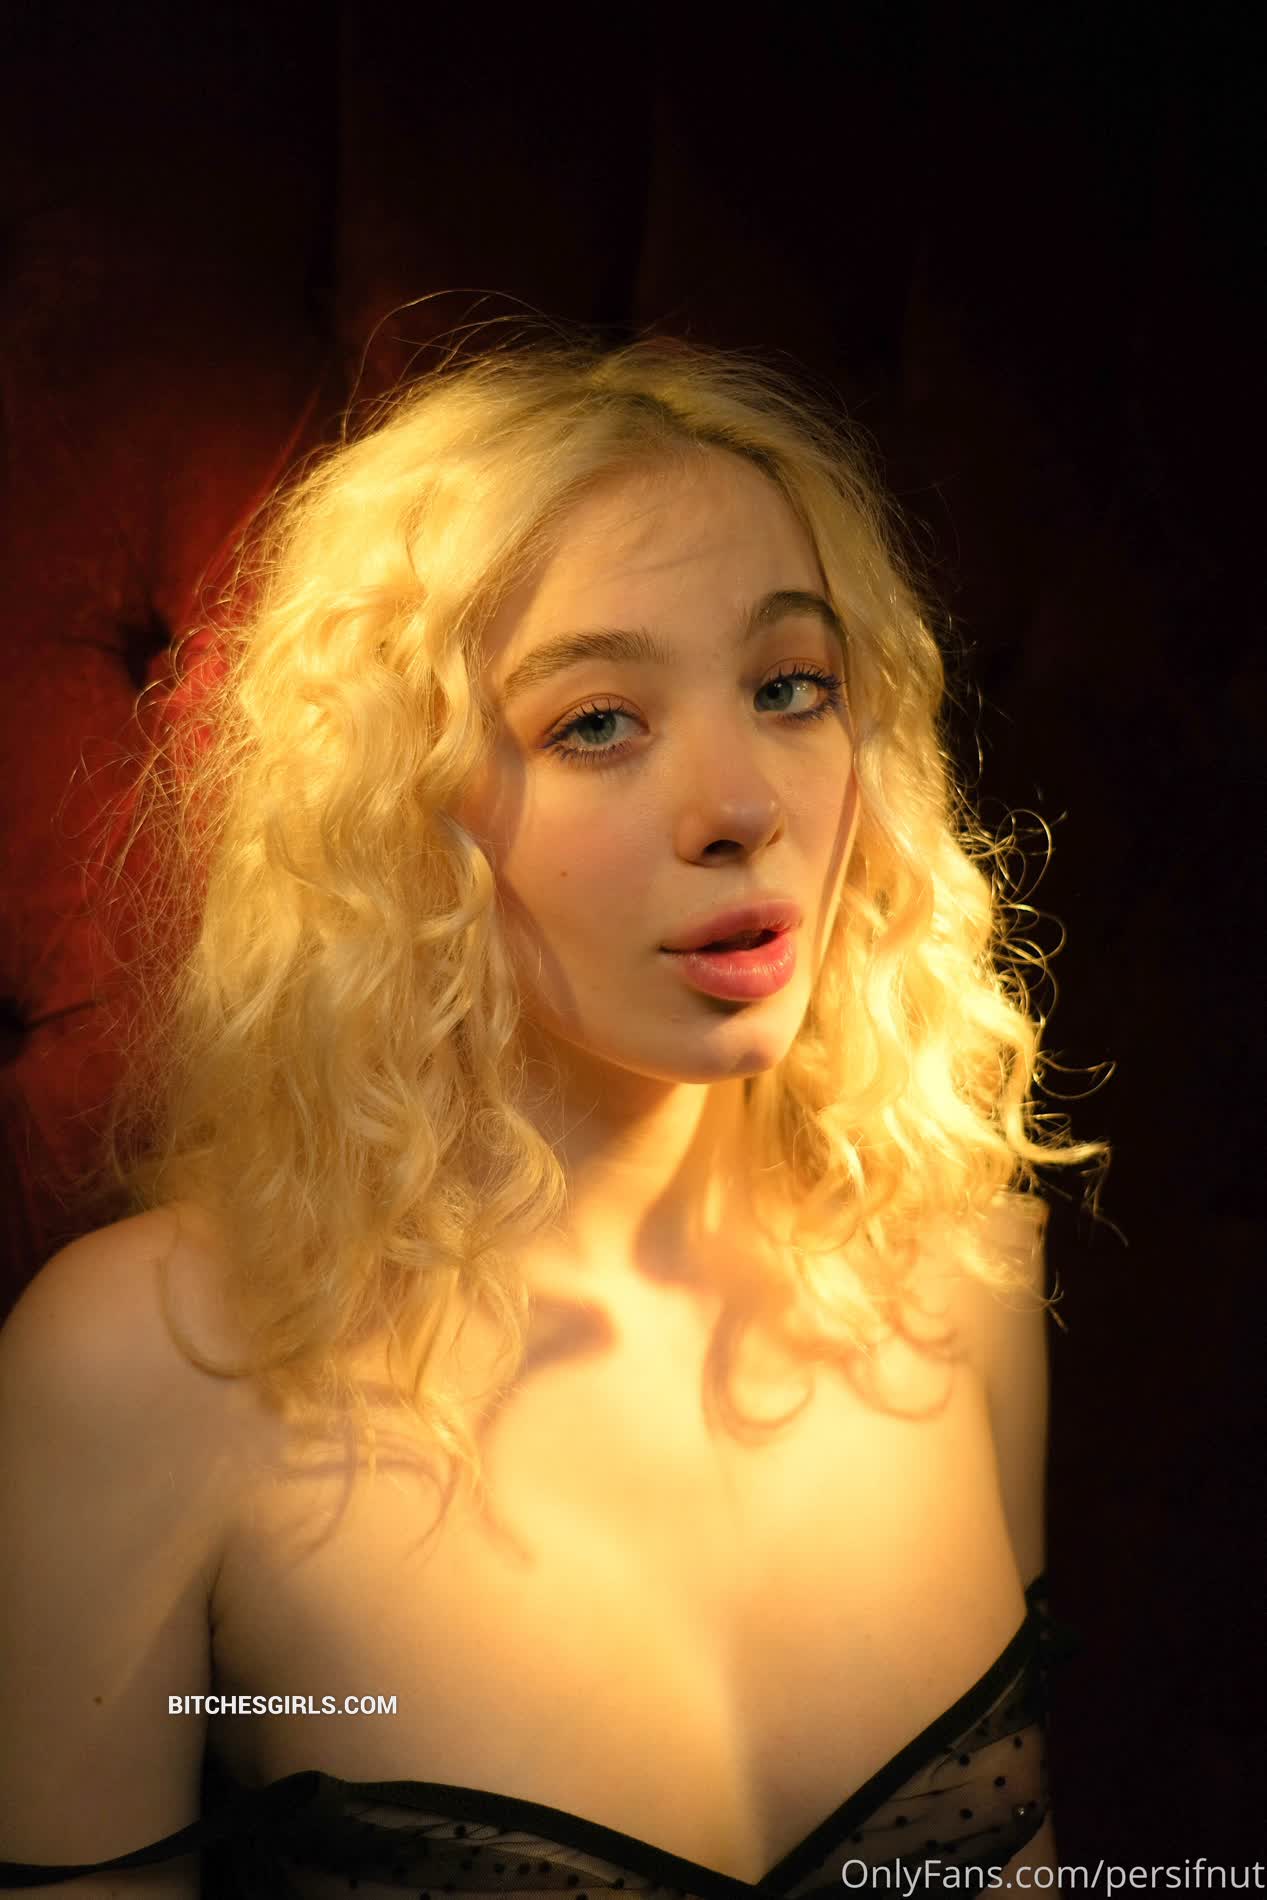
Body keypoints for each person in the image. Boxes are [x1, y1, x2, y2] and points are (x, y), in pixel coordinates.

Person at [0, 325, 1103, 1896]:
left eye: (793, 687)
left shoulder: (958, 1276)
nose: (742, 807)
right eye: (596, 722)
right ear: (404, 813)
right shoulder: (150, 1369)